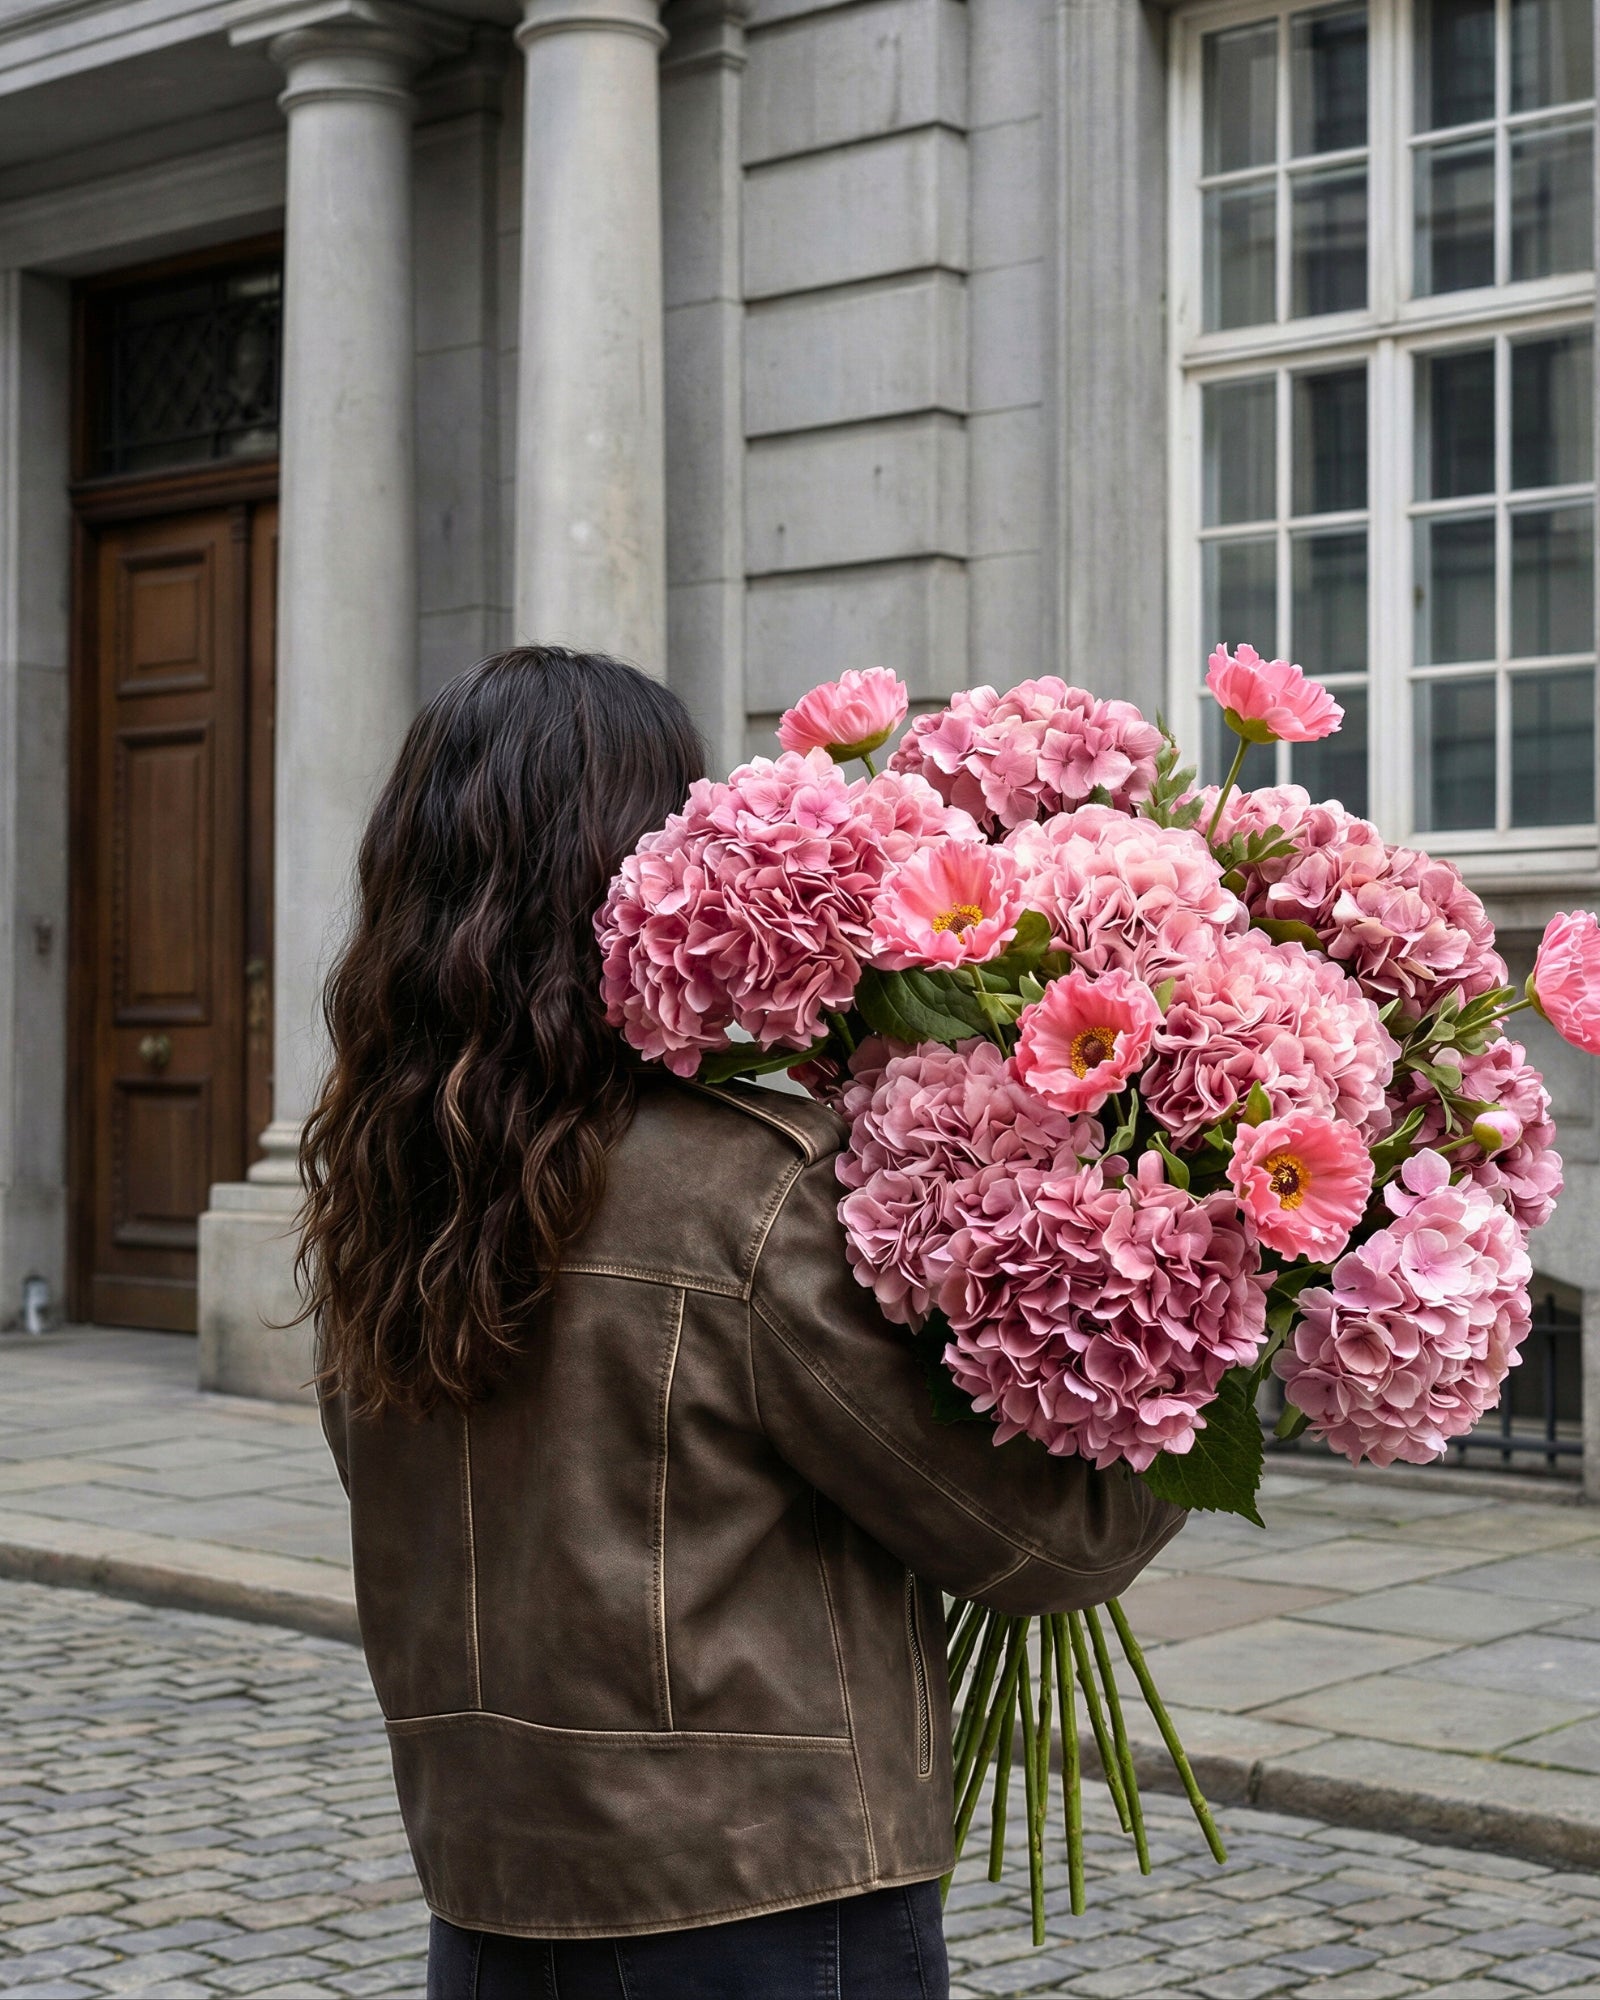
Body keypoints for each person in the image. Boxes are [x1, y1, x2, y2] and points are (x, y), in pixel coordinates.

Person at [301, 647, 1184, 2000]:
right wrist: (1195, 1339)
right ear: (642, 868)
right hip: (760, 1907)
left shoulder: (383, 1196)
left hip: (484, 1908)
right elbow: (1035, 1538)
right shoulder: (747, 1193)